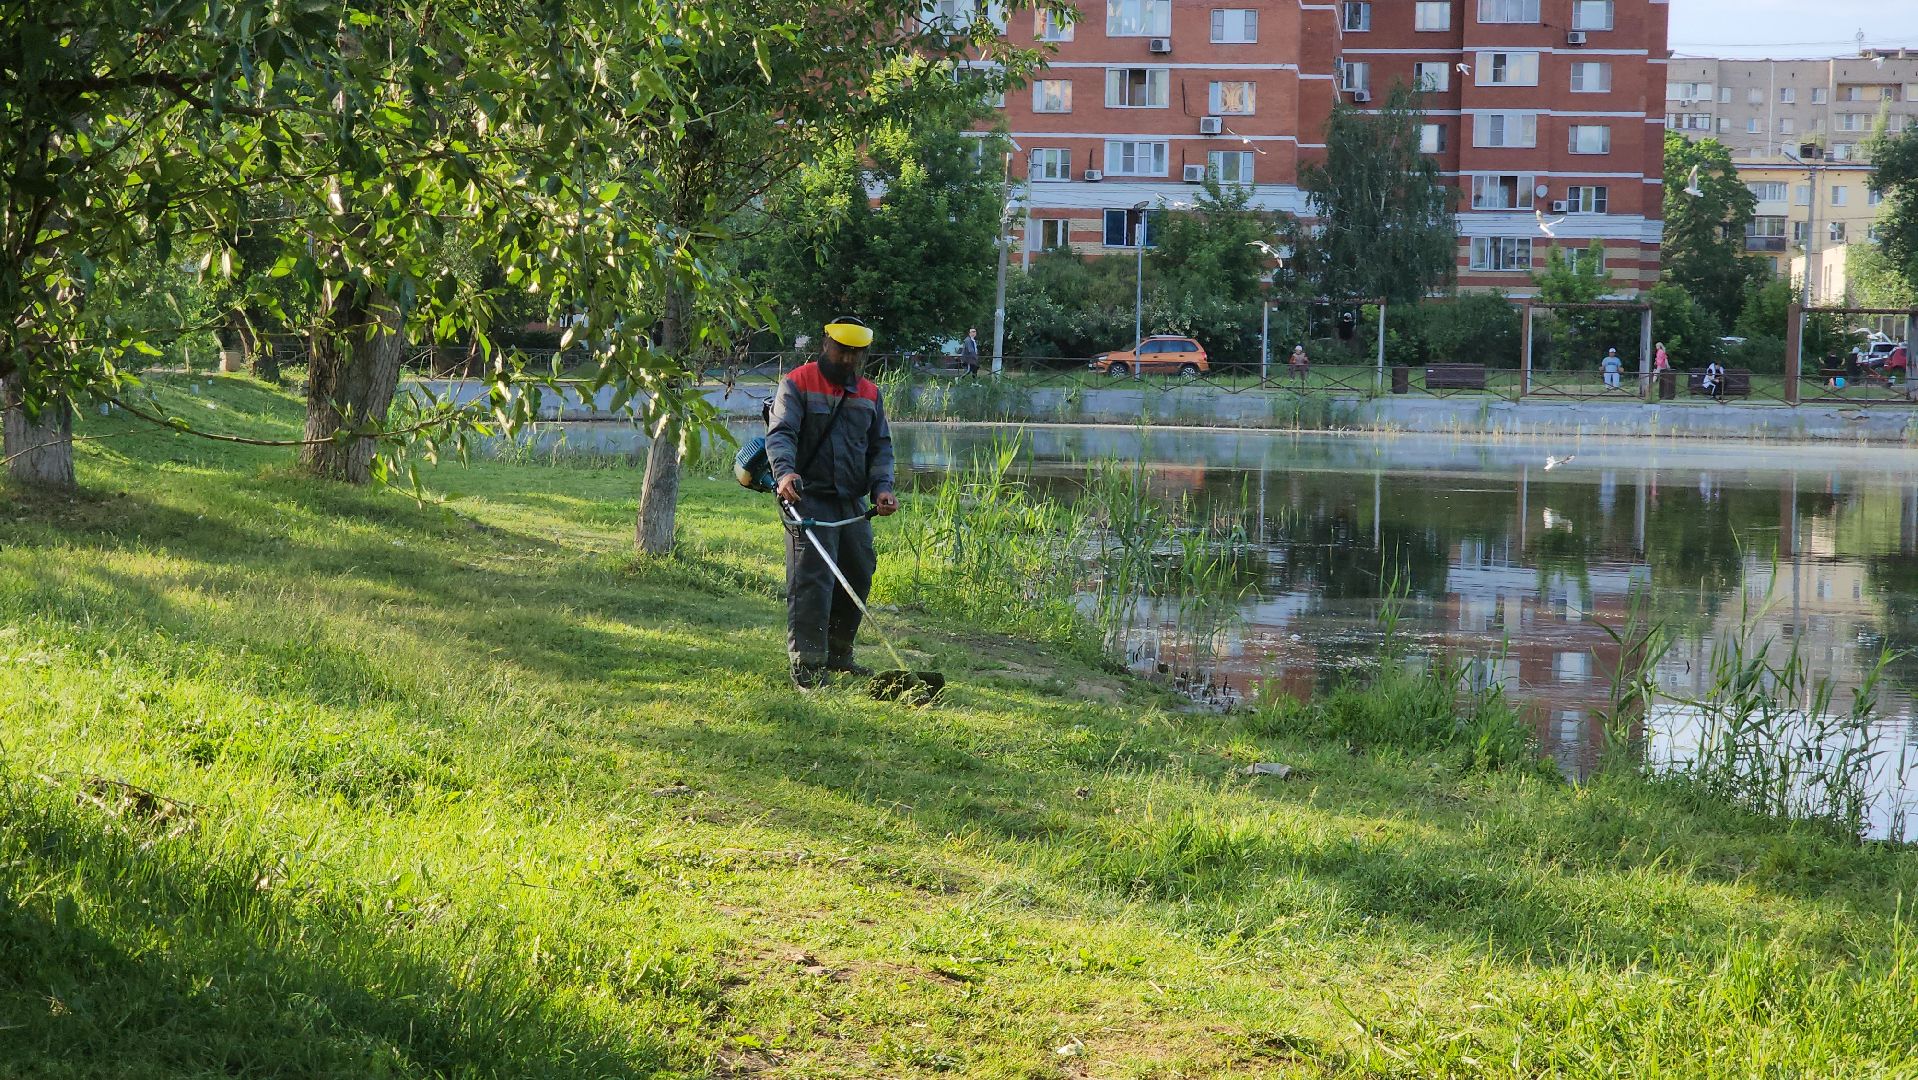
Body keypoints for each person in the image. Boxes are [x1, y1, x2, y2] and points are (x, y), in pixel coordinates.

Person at [766, 317, 899, 689]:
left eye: (857, 354)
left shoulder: (870, 394)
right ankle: (806, 665)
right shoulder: (798, 383)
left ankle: (840, 655)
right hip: (807, 499)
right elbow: (781, 435)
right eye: (843, 351)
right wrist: (785, 473)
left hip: (852, 503)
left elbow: (880, 448)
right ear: (826, 343)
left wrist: (882, 489)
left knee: (857, 573)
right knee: (813, 580)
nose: (849, 361)